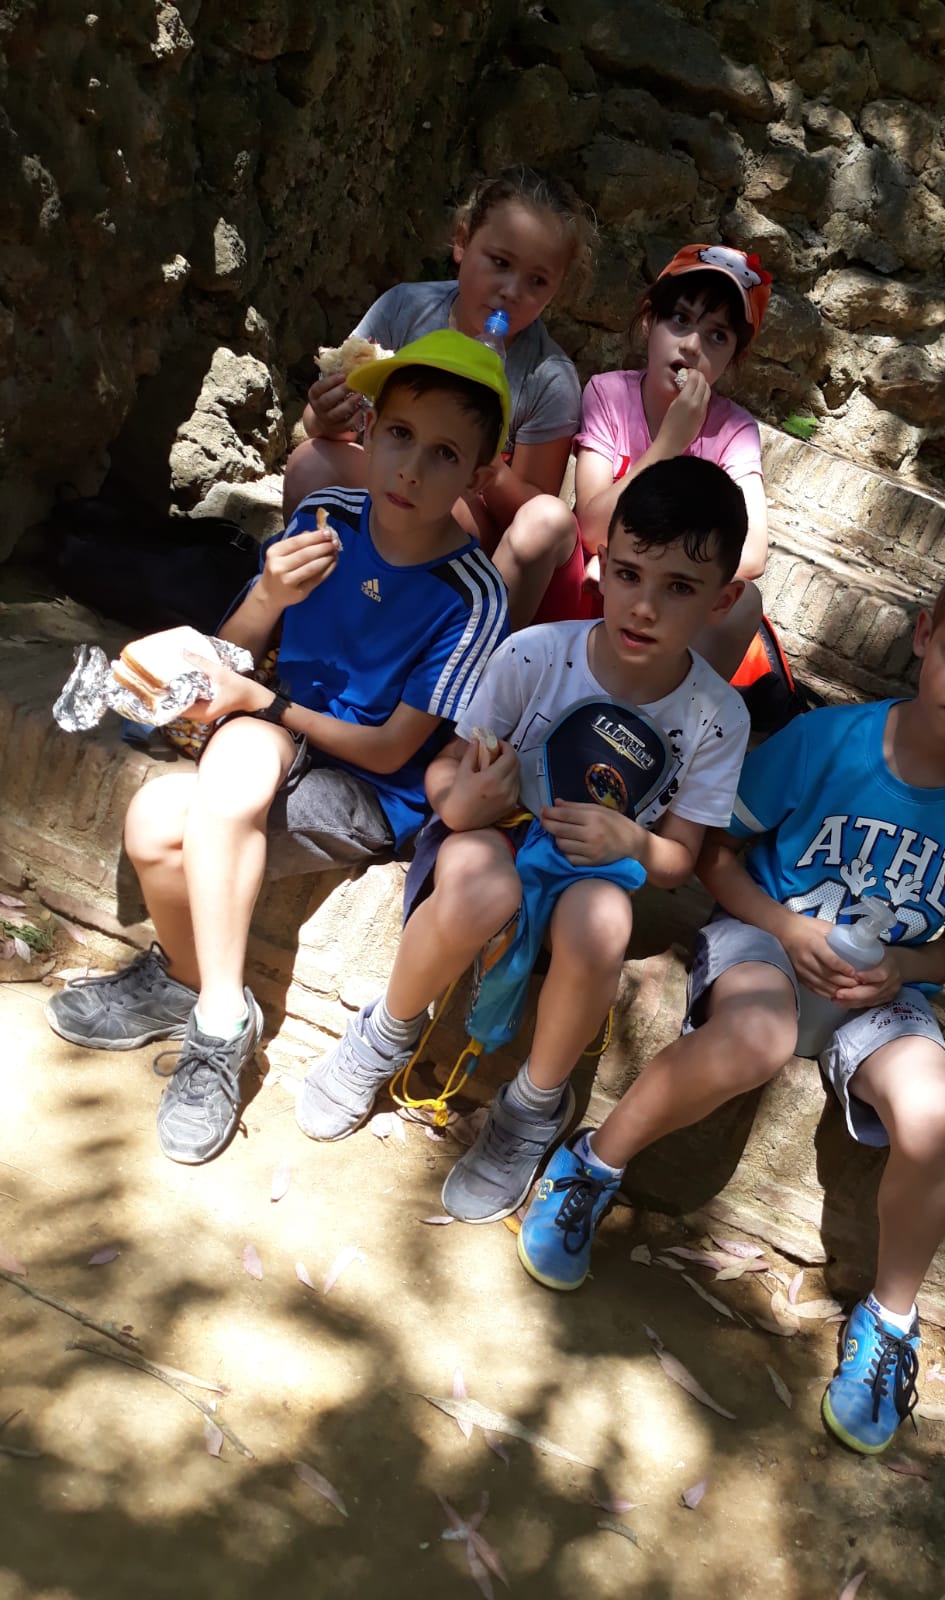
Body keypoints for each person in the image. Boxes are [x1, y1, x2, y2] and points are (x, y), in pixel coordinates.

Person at [516, 545, 945, 1456]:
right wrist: (785, 925)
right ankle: (591, 1165)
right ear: (924, 636)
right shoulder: (829, 741)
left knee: (938, 1116)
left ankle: (889, 1322)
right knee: (756, 1038)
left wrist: (900, 968)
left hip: (880, 987)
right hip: (767, 939)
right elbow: (715, 855)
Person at [47, 332, 512, 1166]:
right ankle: (199, 987)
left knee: (235, 756)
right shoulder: (326, 517)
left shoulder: (472, 596)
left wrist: (261, 702)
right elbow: (233, 649)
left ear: (478, 476)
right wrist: (267, 593)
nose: (410, 469)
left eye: (444, 454)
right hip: (269, 747)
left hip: (368, 791)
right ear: (369, 429)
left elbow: (389, 750)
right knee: (152, 820)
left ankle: (217, 1023)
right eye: (399, 434)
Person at [295, 457, 753, 1228]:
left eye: (679, 587)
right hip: (495, 833)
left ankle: (533, 1107)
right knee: (482, 886)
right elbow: (448, 770)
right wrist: (464, 799)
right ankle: (386, 1032)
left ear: (723, 600)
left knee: (603, 922)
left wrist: (631, 840)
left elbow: (678, 863)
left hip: (596, 868)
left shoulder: (717, 716)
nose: (644, 606)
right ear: (601, 564)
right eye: (630, 574)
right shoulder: (535, 654)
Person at [283, 164, 590, 555]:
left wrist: (481, 457)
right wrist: (326, 416)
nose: (512, 291)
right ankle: (306, 584)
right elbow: (322, 428)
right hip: (385, 479)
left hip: (462, 522)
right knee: (311, 464)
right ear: (461, 242)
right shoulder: (405, 310)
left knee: (437, 502)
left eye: (537, 281)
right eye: (500, 262)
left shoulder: (547, 378)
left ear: (556, 290)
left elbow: (531, 516)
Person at [498, 244, 773, 674]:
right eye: (679, 319)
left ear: (734, 358)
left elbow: (752, 554)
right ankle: (472, 677)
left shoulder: (733, 430)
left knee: (744, 602)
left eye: (717, 336)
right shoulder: (609, 394)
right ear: (649, 321)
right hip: (585, 591)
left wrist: (644, 569)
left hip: (662, 614)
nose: (692, 345)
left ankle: (659, 716)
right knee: (543, 518)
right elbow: (591, 527)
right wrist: (669, 443)